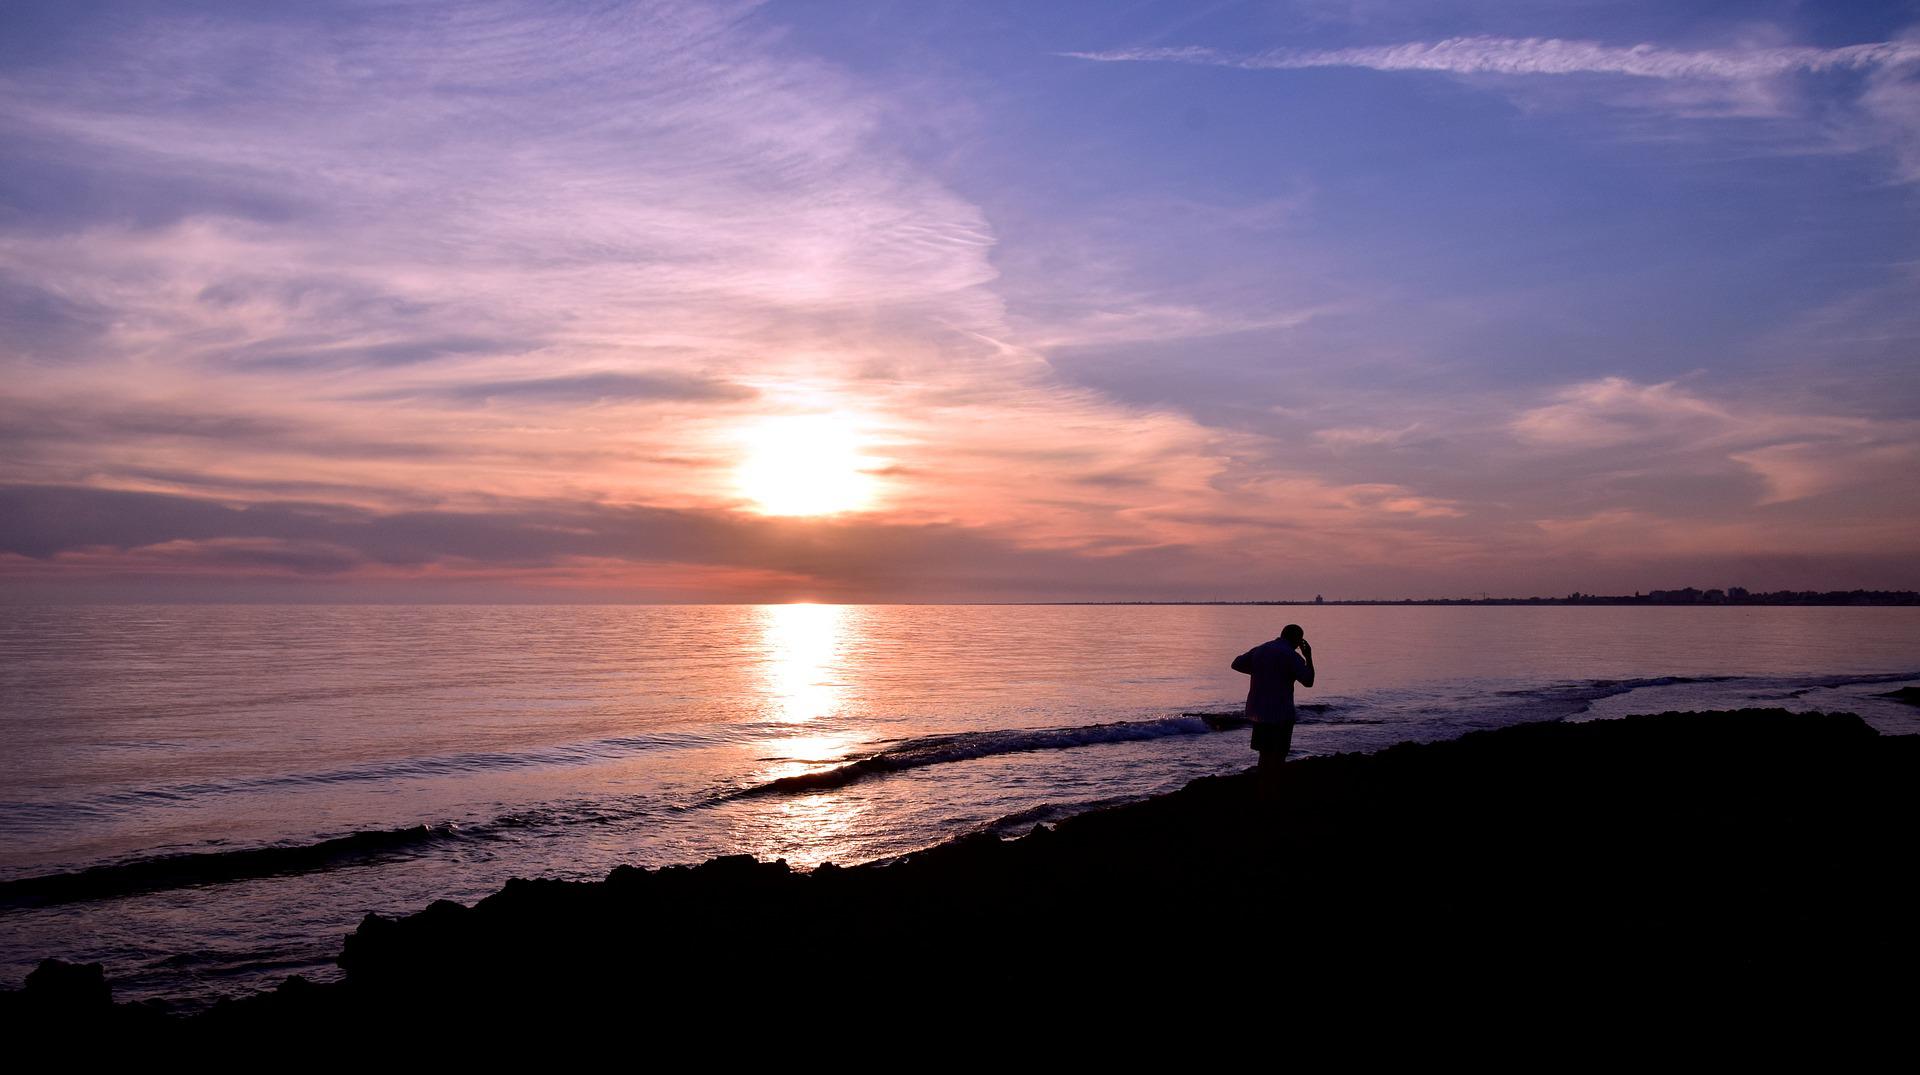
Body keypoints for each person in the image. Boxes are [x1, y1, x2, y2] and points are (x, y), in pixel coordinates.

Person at [1230, 624, 1314, 777]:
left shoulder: (1261, 649)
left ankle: (1263, 789)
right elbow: (1308, 681)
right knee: (1279, 754)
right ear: (1298, 640)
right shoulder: (1292, 656)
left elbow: (1236, 664)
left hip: (1259, 712)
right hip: (1281, 712)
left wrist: (1258, 670)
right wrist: (1308, 656)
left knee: (1264, 754)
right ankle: (1274, 790)